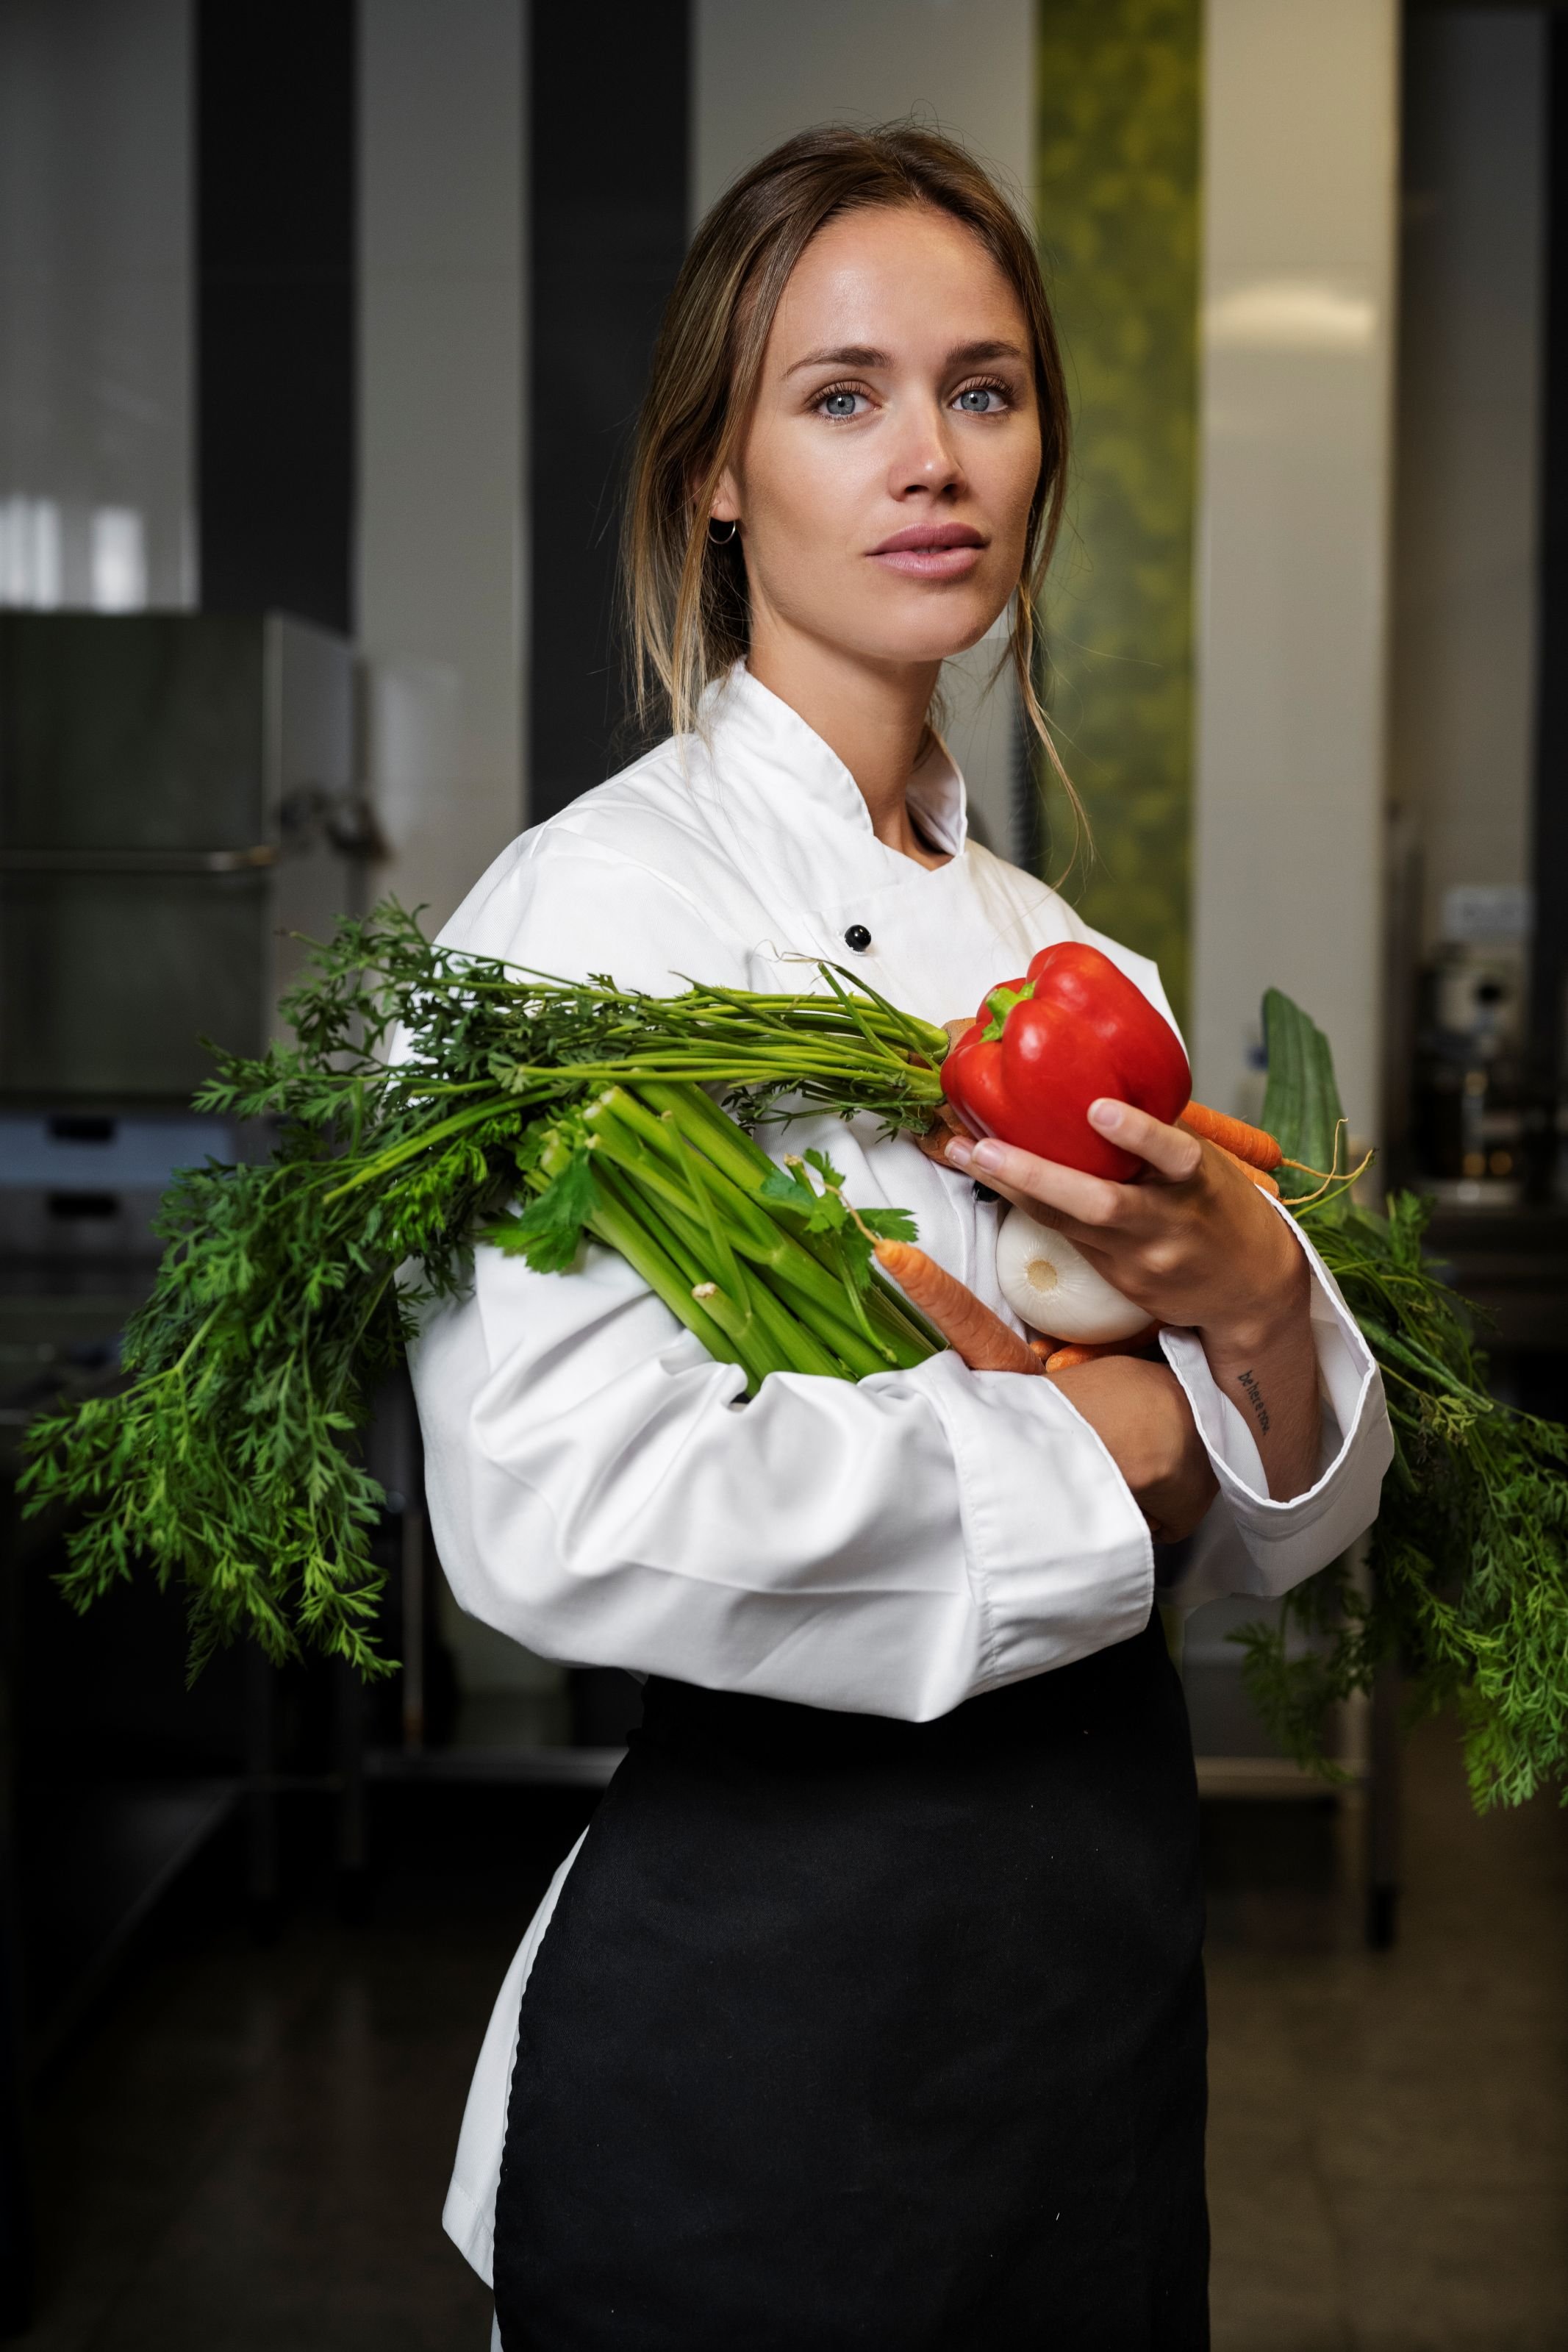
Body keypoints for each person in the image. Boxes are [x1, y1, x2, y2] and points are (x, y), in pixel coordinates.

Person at [412, 124, 1392, 2351]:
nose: (930, 458)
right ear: (718, 474)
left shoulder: (1060, 946)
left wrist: (1252, 1315)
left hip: (1088, 2011)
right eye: (840, 396)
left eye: (986, 388)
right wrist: (1104, 1450)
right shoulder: (596, 917)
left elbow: (1273, 1542)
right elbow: (560, 1508)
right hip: (755, 2029)